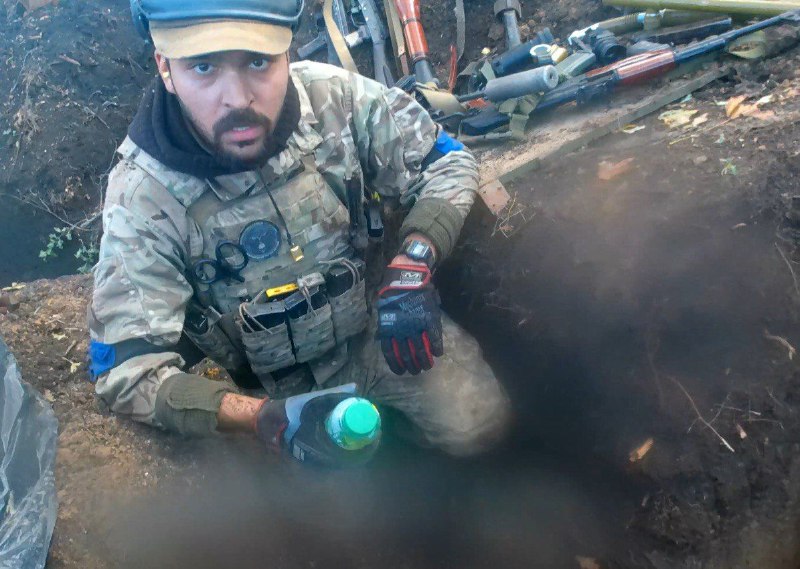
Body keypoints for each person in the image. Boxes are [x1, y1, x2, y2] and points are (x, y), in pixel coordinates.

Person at [87, 0, 510, 459]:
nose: (237, 99)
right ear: (165, 68)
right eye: (203, 67)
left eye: (258, 62)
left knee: (479, 423)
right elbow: (126, 368)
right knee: (326, 501)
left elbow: (445, 160)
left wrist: (414, 261)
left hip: (376, 333)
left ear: (286, 53)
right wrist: (260, 418)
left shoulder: (334, 99)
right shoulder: (142, 197)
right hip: (270, 391)